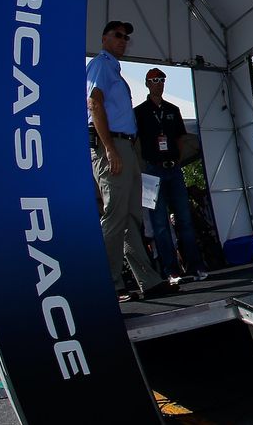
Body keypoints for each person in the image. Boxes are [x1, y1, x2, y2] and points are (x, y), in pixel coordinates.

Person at [87, 21, 173, 301]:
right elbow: (94, 103)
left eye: (125, 37)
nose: (123, 40)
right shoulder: (100, 65)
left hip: (126, 145)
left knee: (131, 218)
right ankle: (106, 283)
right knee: (114, 215)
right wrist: (110, 149)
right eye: (117, 35)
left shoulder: (114, 70)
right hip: (112, 144)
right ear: (104, 38)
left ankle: (147, 280)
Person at [135, 68, 208, 284]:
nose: (159, 83)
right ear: (147, 83)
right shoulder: (139, 112)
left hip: (173, 170)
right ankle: (170, 269)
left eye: (162, 79)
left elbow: (180, 138)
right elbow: (135, 142)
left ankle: (195, 265)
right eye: (154, 80)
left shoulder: (172, 109)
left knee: (184, 219)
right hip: (151, 170)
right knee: (159, 223)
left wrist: (176, 159)